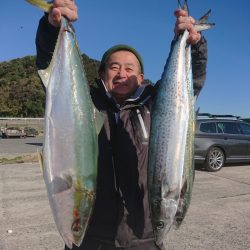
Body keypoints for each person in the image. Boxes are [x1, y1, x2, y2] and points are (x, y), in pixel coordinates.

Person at [35, 1, 208, 249]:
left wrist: (193, 44)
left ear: (141, 78)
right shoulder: (82, 101)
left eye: (130, 68)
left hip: (143, 237)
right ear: (102, 73)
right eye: (114, 67)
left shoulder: (156, 105)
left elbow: (190, 82)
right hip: (91, 237)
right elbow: (47, 64)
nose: (121, 73)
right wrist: (53, 27)